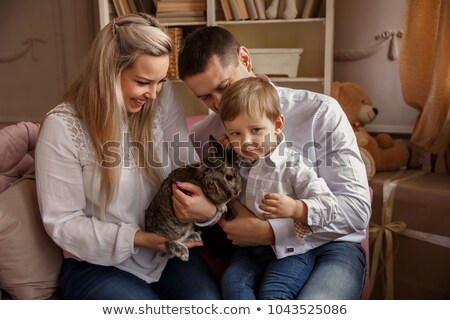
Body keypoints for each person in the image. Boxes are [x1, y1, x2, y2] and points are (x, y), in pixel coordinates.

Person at [173, 26, 371, 299]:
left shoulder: (319, 112)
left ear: (245, 58)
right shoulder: (204, 137)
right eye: (206, 97)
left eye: (223, 86)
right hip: (252, 254)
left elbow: (356, 208)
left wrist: (272, 232)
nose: (219, 104)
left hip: (333, 246)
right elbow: (210, 209)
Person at [35, 14, 220, 300]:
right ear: (108, 72)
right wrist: (138, 239)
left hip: (166, 254)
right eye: (144, 82)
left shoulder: (161, 97)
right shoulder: (62, 127)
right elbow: (63, 222)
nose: (154, 94)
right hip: (97, 265)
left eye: (161, 82)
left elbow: (186, 167)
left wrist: (208, 210)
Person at [217, 77, 338, 299]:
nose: (246, 142)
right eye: (235, 133)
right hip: (249, 251)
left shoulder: (293, 165)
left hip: (292, 252)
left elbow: (329, 207)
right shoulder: (237, 161)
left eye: (256, 130)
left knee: (274, 292)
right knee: (233, 284)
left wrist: (296, 208)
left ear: (278, 124)